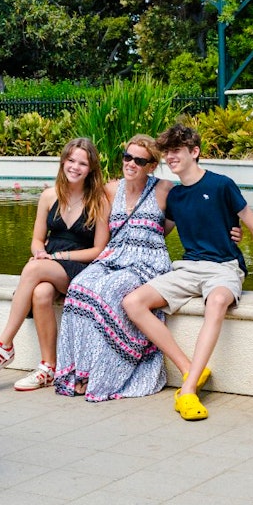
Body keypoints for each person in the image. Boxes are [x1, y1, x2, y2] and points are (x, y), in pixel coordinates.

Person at [123, 123, 253, 421]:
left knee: (217, 301)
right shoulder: (175, 196)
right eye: (167, 152)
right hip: (188, 268)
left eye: (177, 151)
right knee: (132, 303)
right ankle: (191, 368)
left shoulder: (221, 185)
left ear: (195, 152)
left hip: (223, 268)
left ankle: (188, 391)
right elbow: (157, 233)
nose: (171, 157)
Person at [0, 137, 108, 390]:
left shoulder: (98, 201)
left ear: (91, 169)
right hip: (50, 264)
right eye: (71, 160)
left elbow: (99, 250)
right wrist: (39, 252)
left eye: (82, 163)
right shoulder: (48, 196)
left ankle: (4, 345)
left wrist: (55, 257)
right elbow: (37, 239)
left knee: (34, 268)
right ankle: (48, 368)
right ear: (63, 161)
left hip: (81, 267)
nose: (75, 167)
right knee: (41, 292)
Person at [52, 135, 174, 400]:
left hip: (147, 261)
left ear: (152, 165)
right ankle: (82, 371)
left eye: (139, 160)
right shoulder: (110, 190)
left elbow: (181, 224)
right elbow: (99, 233)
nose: (130, 163)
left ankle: (107, 375)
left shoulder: (165, 189)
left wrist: (232, 232)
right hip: (113, 256)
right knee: (79, 287)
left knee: (110, 289)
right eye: (127, 157)